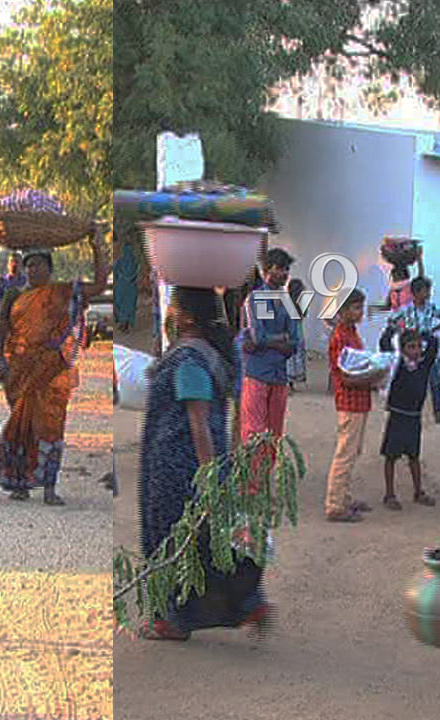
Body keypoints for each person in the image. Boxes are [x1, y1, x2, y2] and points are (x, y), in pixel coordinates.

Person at [139, 287, 273, 641]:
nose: (169, 312)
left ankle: (173, 618)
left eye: (173, 306)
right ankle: (246, 601)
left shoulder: (189, 360)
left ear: (185, 315)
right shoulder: (215, 353)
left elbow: (198, 422)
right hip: (203, 463)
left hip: (180, 469)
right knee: (208, 541)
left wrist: (210, 477)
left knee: (172, 543)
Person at [0, 246, 106, 505]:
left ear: (50, 270)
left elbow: (99, 285)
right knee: (22, 424)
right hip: (20, 369)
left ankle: (49, 486)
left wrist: (96, 242)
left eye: (38, 265)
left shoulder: (62, 292)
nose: (32, 270)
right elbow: (0, 331)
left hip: (53, 369)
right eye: (29, 265)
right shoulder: (13, 295)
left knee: (51, 424)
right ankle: (20, 483)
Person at [323, 290, 385, 522]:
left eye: (361, 307)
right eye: (356, 308)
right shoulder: (341, 336)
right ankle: (335, 504)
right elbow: (345, 377)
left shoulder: (351, 333)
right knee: (345, 453)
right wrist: (373, 377)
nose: (360, 313)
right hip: (350, 401)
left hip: (359, 401)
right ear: (344, 310)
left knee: (353, 451)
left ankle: (343, 496)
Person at [239, 248, 299, 452]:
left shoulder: (286, 302)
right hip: (257, 374)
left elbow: (295, 342)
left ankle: (263, 481)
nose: (285, 273)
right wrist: (281, 339)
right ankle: (252, 483)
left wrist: (275, 341)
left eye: (287, 269)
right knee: (254, 434)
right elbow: (259, 337)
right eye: (280, 268)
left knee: (275, 436)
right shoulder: (259, 298)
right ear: (267, 270)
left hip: (278, 375)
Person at [378, 329, 438, 511]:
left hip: (414, 417)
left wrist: (423, 332)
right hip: (397, 416)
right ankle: (389, 494)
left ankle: (418, 491)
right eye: (411, 347)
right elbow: (385, 344)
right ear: (402, 349)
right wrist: (391, 330)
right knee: (391, 457)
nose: (417, 351)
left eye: (419, 346)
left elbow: (433, 344)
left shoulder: (423, 365)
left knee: (414, 456)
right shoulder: (396, 364)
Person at [381, 276, 440, 425]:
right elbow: (391, 321)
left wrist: (433, 330)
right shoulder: (406, 309)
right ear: (415, 293)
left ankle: (438, 413)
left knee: (434, 381)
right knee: (402, 378)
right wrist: (404, 334)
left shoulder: (431, 308)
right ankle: (395, 404)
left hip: (425, 349)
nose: (428, 294)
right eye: (425, 291)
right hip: (410, 348)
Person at [286, 278, 307, 392]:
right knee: (298, 353)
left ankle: (289, 381)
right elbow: (304, 315)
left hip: (287, 327)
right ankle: (295, 378)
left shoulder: (285, 300)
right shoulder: (302, 301)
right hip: (298, 327)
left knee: (289, 356)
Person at [113, 240, 139, 331]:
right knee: (130, 305)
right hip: (132, 287)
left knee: (121, 303)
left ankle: (123, 322)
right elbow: (138, 275)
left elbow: (115, 272)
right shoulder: (135, 262)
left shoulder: (119, 261)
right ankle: (128, 322)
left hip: (121, 285)